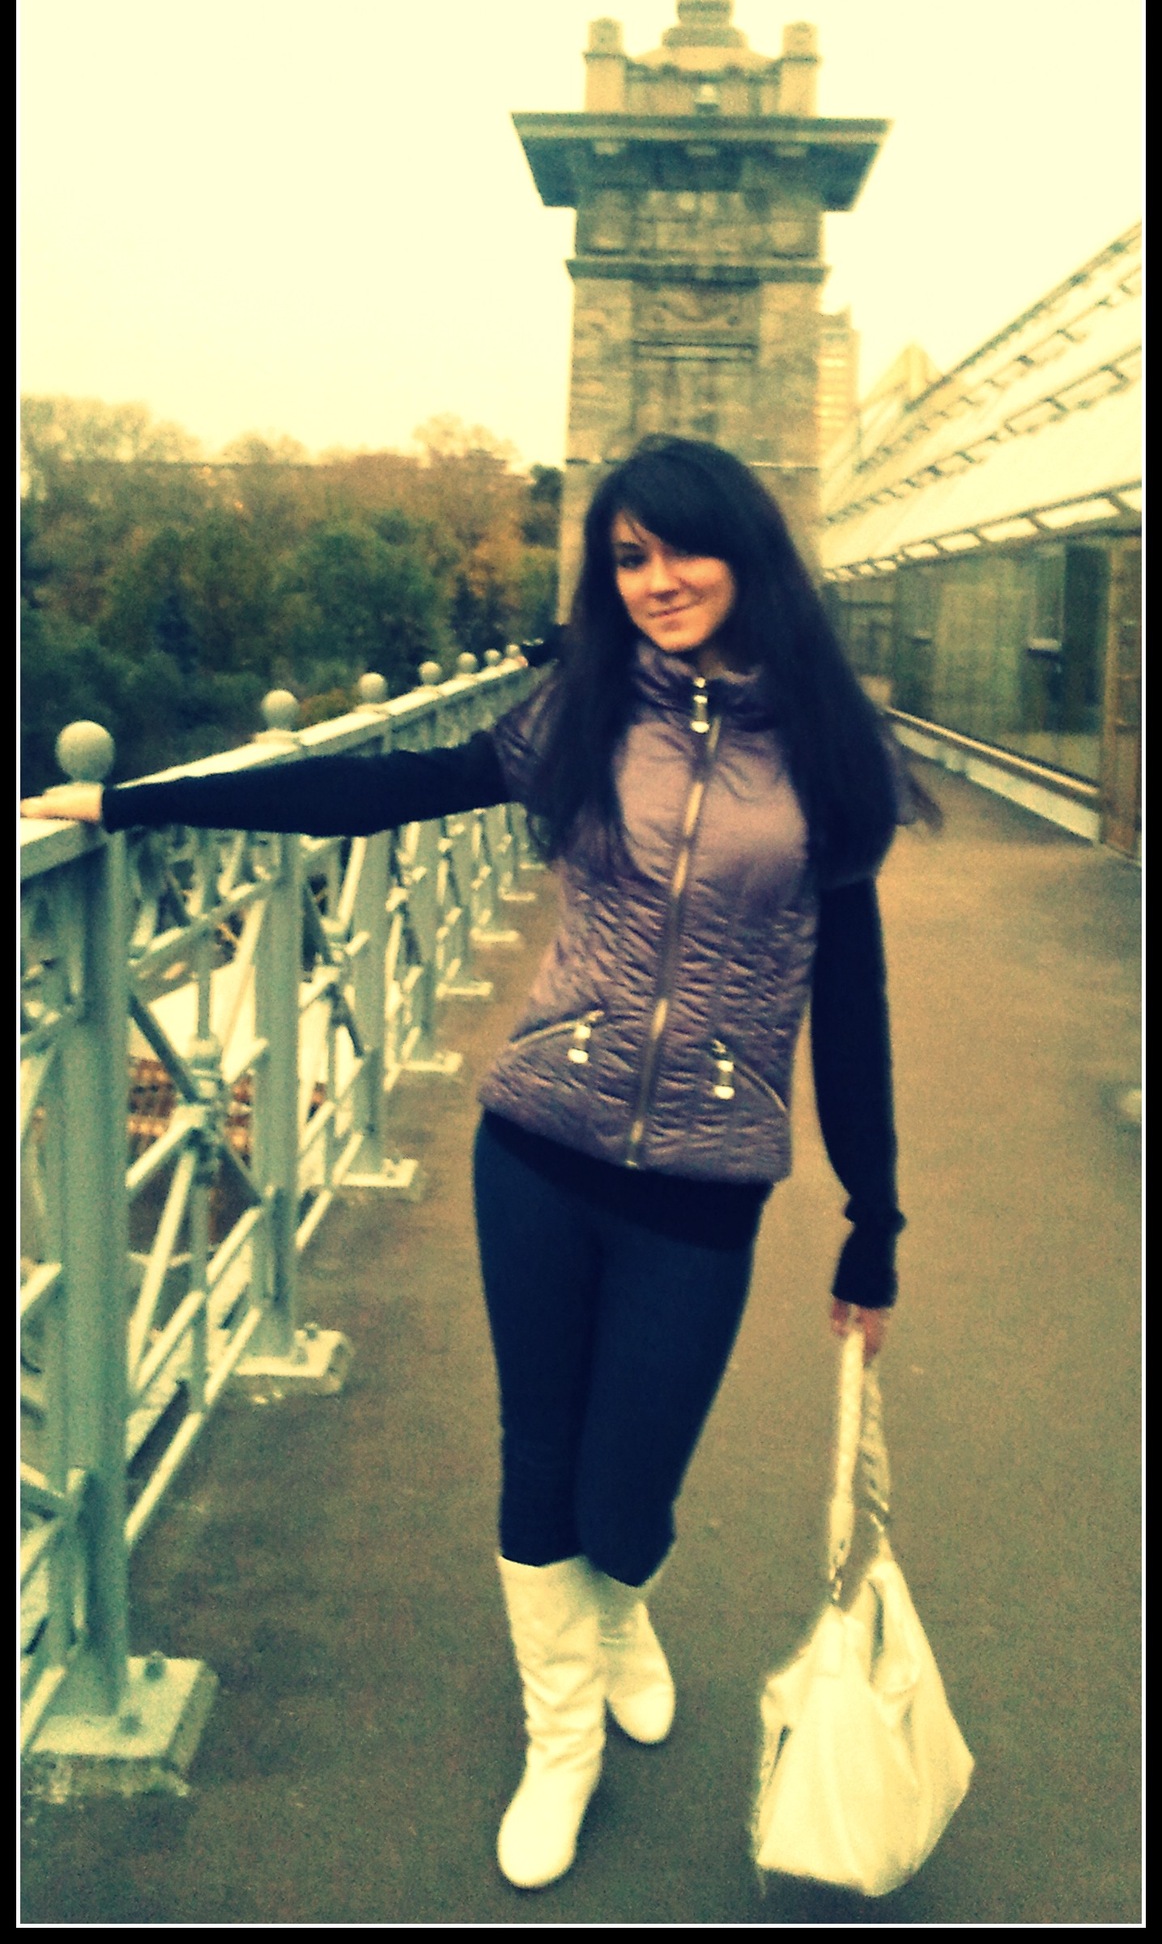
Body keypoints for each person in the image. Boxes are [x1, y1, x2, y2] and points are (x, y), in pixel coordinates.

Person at [22, 435, 931, 1892]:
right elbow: (387, 789)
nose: (654, 581)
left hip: (705, 1178)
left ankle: (620, 1607)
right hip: (538, 1148)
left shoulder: (828, 749)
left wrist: (871, 1222)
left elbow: (854, 1001)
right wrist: (137, 802)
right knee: (540, 1455)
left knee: (628, 1492)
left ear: (747, 552)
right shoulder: (585, 706)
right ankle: (558, 1741)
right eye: (625, 558)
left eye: (679, 549)